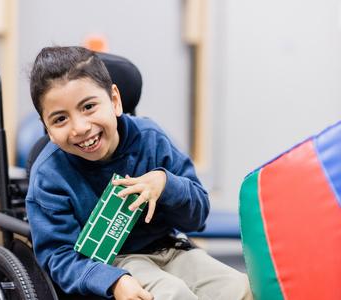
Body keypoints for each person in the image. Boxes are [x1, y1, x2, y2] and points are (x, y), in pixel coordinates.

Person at [26, 46, 252, 300]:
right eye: (59, 119)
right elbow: (59, 256)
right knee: (172, 294)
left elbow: (198, 216)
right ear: (47, 128)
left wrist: (166, 185)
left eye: (88, 106)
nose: (80, 128)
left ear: (114, 100)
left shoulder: (150, 139)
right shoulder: (49, 175)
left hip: (171, 249)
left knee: (239, 288)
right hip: (109, 262)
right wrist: (113, 281)